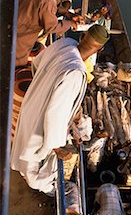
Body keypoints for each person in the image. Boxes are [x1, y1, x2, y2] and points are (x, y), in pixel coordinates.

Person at [11, 25, 110, 195]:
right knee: (34, 160)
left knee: (24, 144)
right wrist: (56, 147)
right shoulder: (76, 72)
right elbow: (55, 113)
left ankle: (26, 172)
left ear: (83, 36)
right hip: (42, 122)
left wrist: (41, 87)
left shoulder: (64, 43)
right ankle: (38, 185)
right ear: (99, 49)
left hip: (32, 102)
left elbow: (36, 64)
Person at [16, 0, 80, 67]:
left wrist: (68, 14)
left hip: (18, 12)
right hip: (21, 31)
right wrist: (70, 24)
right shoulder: (48, 1)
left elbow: (46, 8)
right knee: (18, 60)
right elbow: (51, 27)